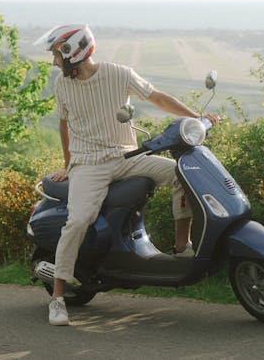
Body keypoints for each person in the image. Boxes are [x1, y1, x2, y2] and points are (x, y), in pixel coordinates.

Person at [34, 24, 218, 326]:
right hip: (88, 165)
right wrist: (69, 165)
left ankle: (181, 248)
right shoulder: (62, 84)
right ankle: (57, 297)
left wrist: (196, 119)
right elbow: (64, 124)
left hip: (126, 157)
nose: (54, 62)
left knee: (183, 175)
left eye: (56, 55)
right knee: (77, 221)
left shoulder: (119, 74)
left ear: (72, 53)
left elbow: (157, 97)